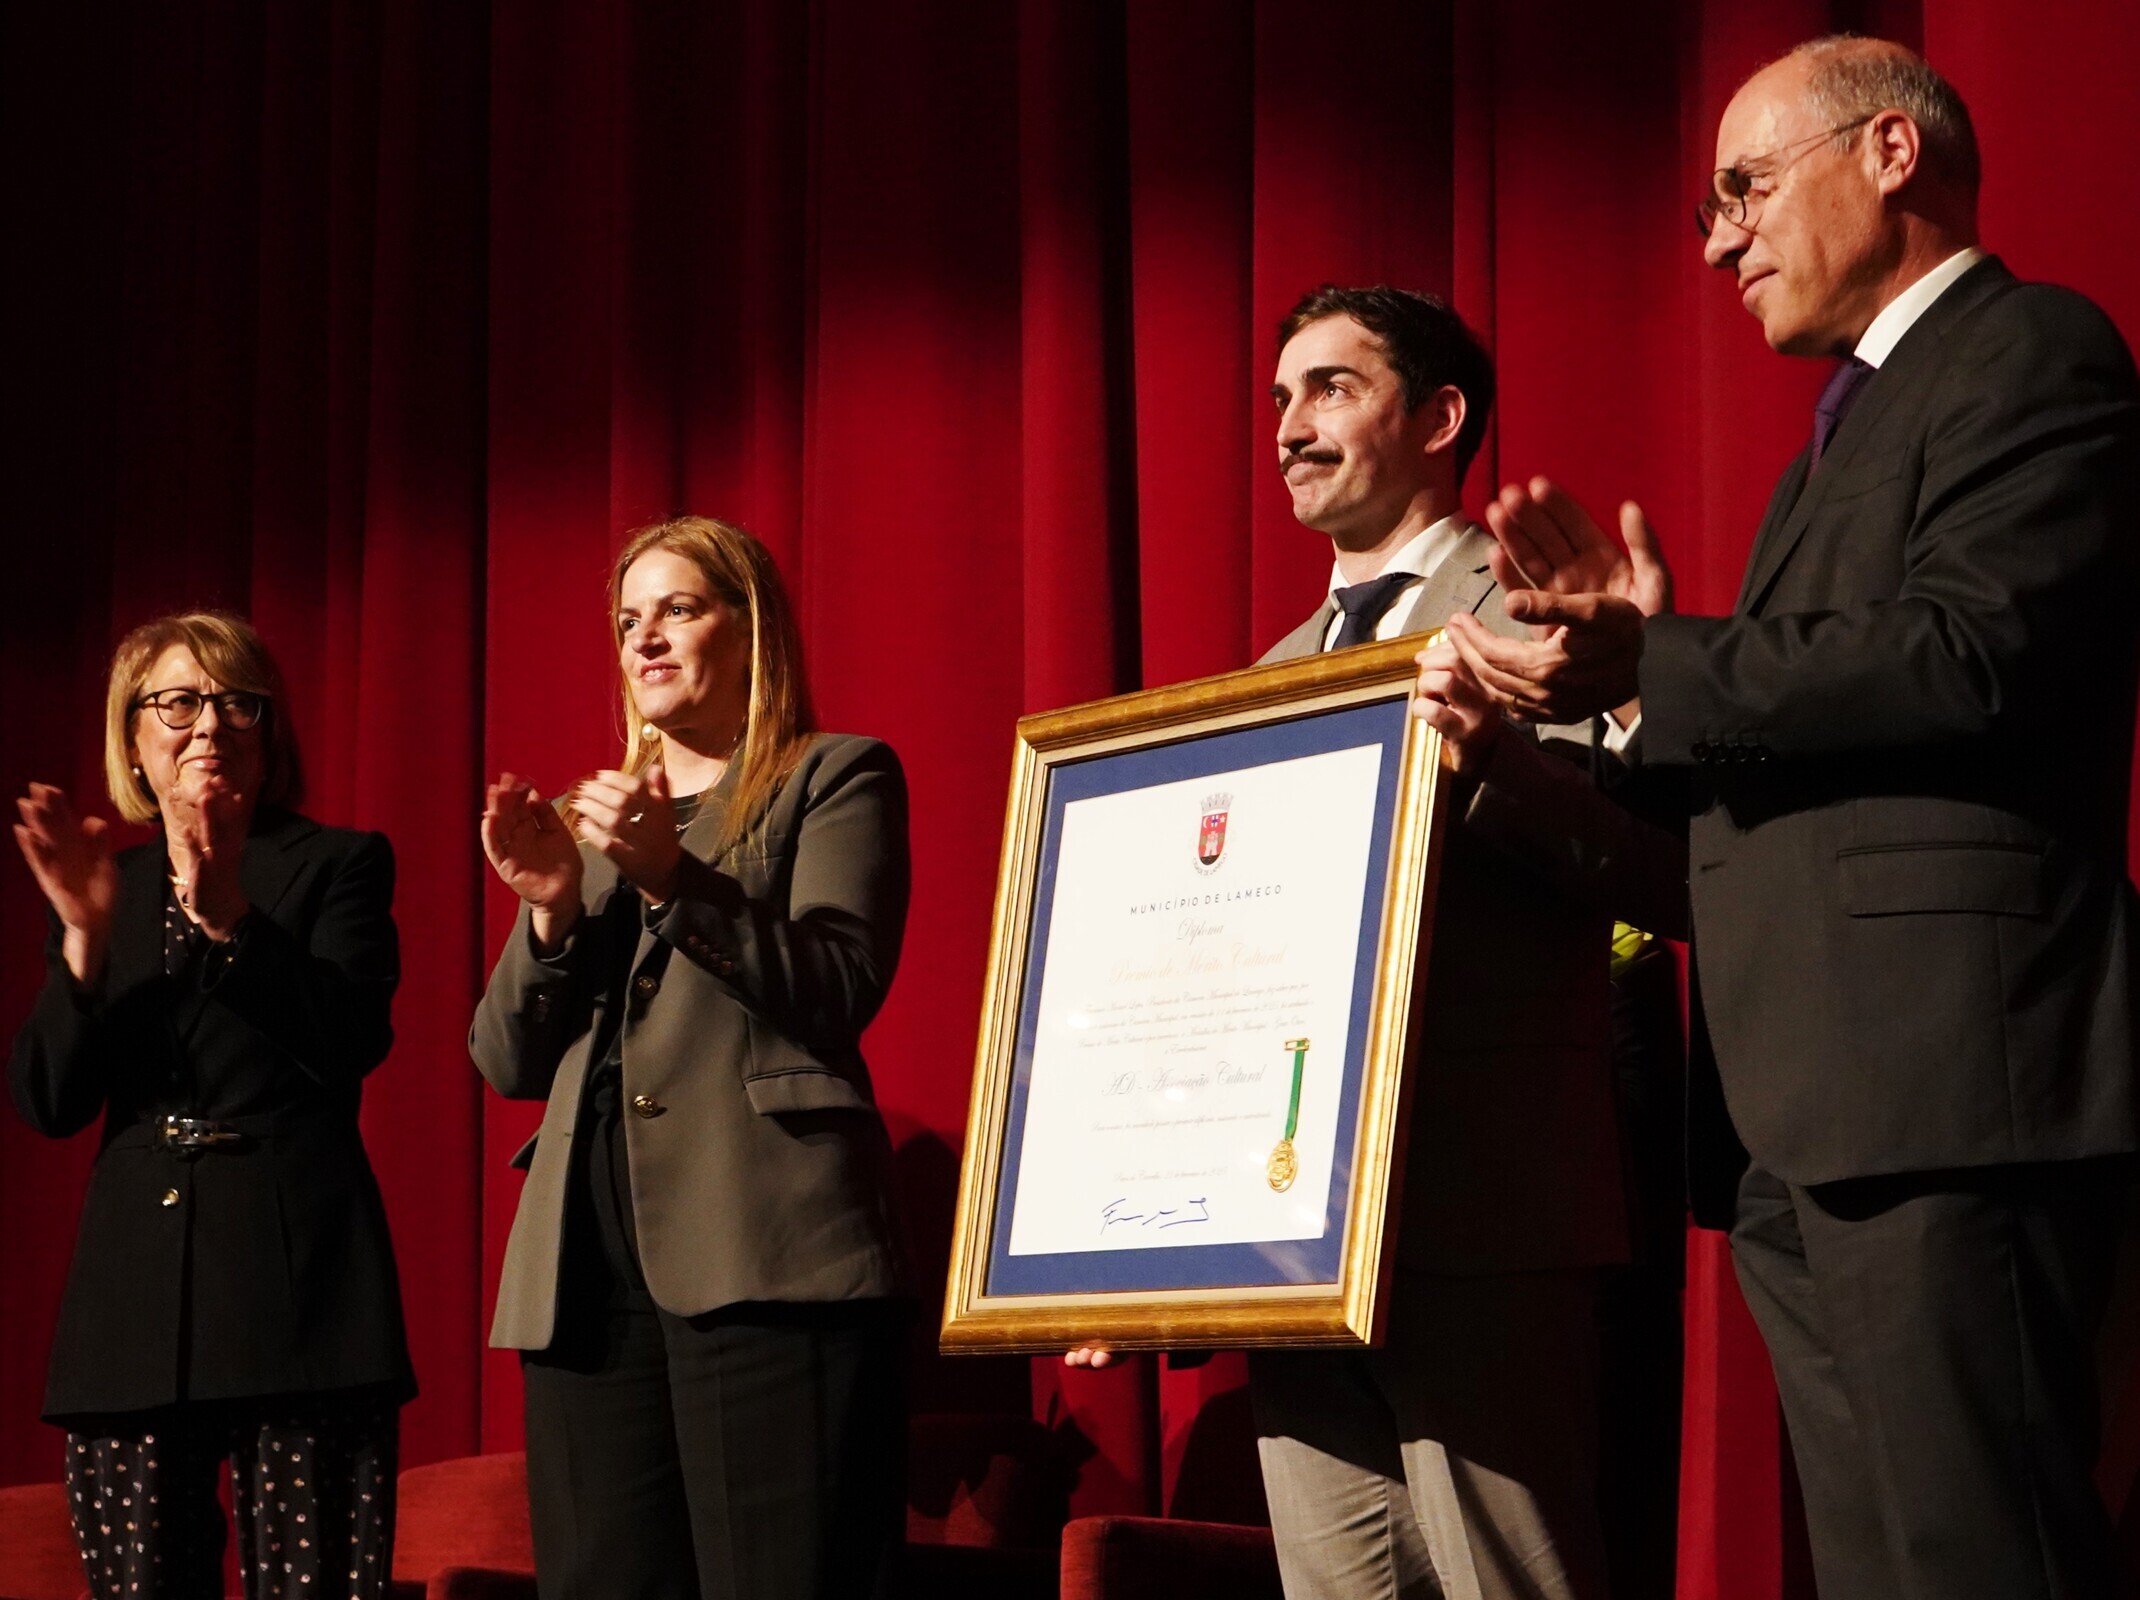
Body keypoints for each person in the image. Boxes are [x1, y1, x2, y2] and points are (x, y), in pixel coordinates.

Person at [1447, 36, 2140, 1600]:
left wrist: (1663, 659)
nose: (1716, 239)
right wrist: (1593, 713)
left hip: (1948, 1086)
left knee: (1983, 1557)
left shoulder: (2033, 352)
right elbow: (1766, 788)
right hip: (1800, 1115)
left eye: (1744, 189)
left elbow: (1975, 653)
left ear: (1889, 154)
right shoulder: (1822, 453)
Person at [1074, 285, 1685, 1600]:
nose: (1291, 425)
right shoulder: (1269, 677)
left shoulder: (1540, 612)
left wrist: (1496, 763)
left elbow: (1645, 868)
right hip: (1293, 1242)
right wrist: (1131, 1231)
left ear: (1438, 418)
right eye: (1281, 397)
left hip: (1481, 1206)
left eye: (1332, 389)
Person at [471, 514, 912, 1600]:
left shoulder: (832, 777)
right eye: (629, 621)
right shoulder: (593, 827)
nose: (646, 640)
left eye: (678, 609)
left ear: (748, 625)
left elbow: (837, 985)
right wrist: (550, 916)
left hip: (762, 1249)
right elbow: (503, 1059)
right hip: (587, 1267)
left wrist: (674, 878)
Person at [8, 610, 411, 1600]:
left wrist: (227, 908)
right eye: (178, 702)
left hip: (302, 1293)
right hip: (133, 1307)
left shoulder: (336, 863)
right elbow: (48, 1100)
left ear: (269, 733)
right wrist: (83, 947)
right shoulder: (107, 884)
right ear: (133, 737)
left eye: (237, 702)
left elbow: (349, 1042)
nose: (209, 724)